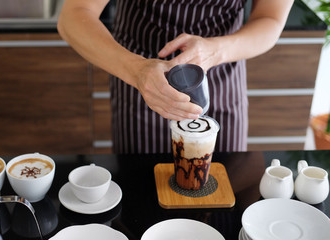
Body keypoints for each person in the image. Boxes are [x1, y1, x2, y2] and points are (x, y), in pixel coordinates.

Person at [57, 0, 294, 154]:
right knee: (142, 195)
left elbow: (270, 18)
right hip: (143, 85)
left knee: (220, 200)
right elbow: (73, 16)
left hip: (222, 80)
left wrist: (216, 50)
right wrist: (137, 70)